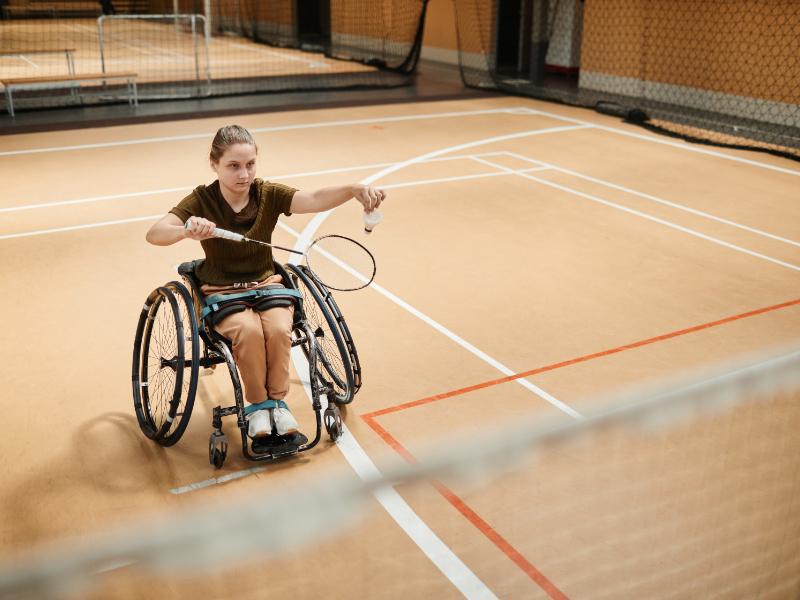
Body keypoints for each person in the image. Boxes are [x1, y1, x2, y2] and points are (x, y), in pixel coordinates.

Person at [145, 124, 385, 443]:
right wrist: (185, 230)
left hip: (267, 284)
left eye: (250, 164)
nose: (243, 174)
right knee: (247, 331)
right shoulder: (202, 200)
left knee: (276, 329)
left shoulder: (267, 194)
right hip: (221, 291)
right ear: (214, 164)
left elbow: (312, 198)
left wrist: (353, 189)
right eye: (233, 166)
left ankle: (277, 403)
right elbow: (155, 233)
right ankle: (259, 405)